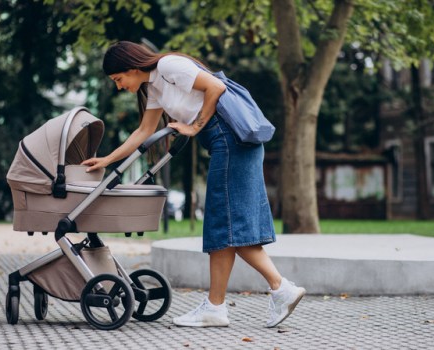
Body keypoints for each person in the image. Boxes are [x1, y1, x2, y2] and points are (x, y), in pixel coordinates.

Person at [82, 41, 305, 328]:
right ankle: (217, 307)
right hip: (229, 144)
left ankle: (279, 288)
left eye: (118, 79)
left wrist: (194, 127)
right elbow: (144, 131)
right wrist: (106, 159)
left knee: (226, 224)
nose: (119, 86)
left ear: (133, 67)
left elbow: (215, 87)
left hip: (229, 140)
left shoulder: (168, 66)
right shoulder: (155, 87)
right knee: (226, 225)